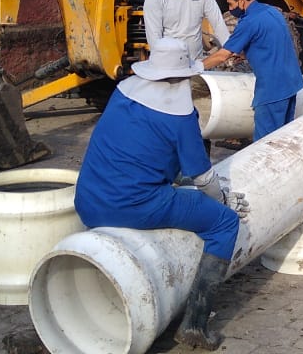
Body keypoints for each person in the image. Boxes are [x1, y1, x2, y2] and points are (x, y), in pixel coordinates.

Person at [74, 38, 249, 351]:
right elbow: (203, 177)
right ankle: (195, 323)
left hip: (88, 199)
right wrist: (222, 199)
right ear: (185, 76)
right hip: (132, 205)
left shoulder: (122, 92)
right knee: (224, 223)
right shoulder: (180, 116)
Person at [202, 0, 303, 141]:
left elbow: (223, 55)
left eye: (230, 4)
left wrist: (197, 67)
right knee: (283, 139)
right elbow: (270, 43)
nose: (230, 9)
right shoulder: (272, 12)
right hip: (291, 83)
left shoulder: (249, 21)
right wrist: (246, 54)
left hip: (272, 91)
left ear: (241, 1)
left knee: (265, 144)